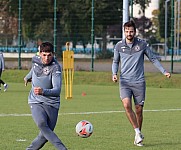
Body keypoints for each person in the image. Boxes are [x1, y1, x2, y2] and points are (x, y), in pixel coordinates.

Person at [112, 20, 171, 147]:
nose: (129, 33)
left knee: (139, 110)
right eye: (127, 31)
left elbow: (153, 59)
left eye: (131, 31)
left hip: (139, 82)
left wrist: (164, 71)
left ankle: (137, 135)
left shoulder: (142, 44)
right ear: (124, 31)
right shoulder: (118, 46)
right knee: (127, 105)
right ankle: (137, 132)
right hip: (124, 82)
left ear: (135, 31)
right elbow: (115, 62)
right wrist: (114, 73)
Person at [24, 42, 67, 150]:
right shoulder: (35, 60)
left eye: (49, 55)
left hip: (52, 104)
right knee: (42, 123)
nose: (46, 58)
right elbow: (34, 68)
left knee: (44, 135)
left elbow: (57, 90)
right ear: (39, 54)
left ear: (53, 54)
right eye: (44, 55)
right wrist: (27, 77)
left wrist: (43, 91)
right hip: (35, 101)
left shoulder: (55, 67)